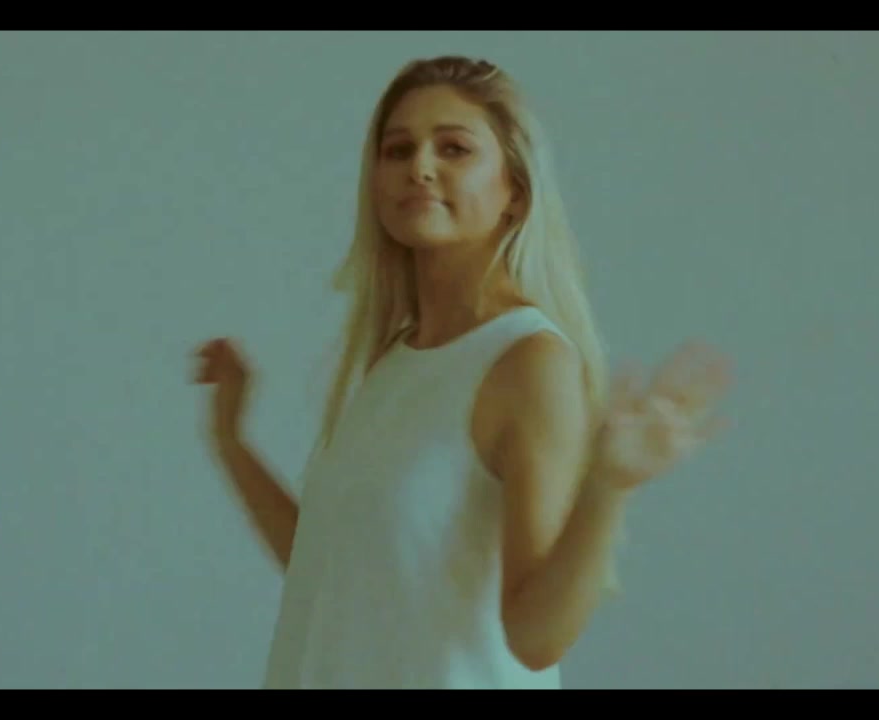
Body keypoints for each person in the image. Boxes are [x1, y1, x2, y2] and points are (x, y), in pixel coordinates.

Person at [192, 55, 732, 689]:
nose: (420, 167)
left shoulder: (527, 362)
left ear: (515, 191)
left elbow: (535, 639)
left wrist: (609, 488)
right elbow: (331, 569)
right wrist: (232, 442)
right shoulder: (397, 359)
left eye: (454, 148)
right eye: (398, 150)